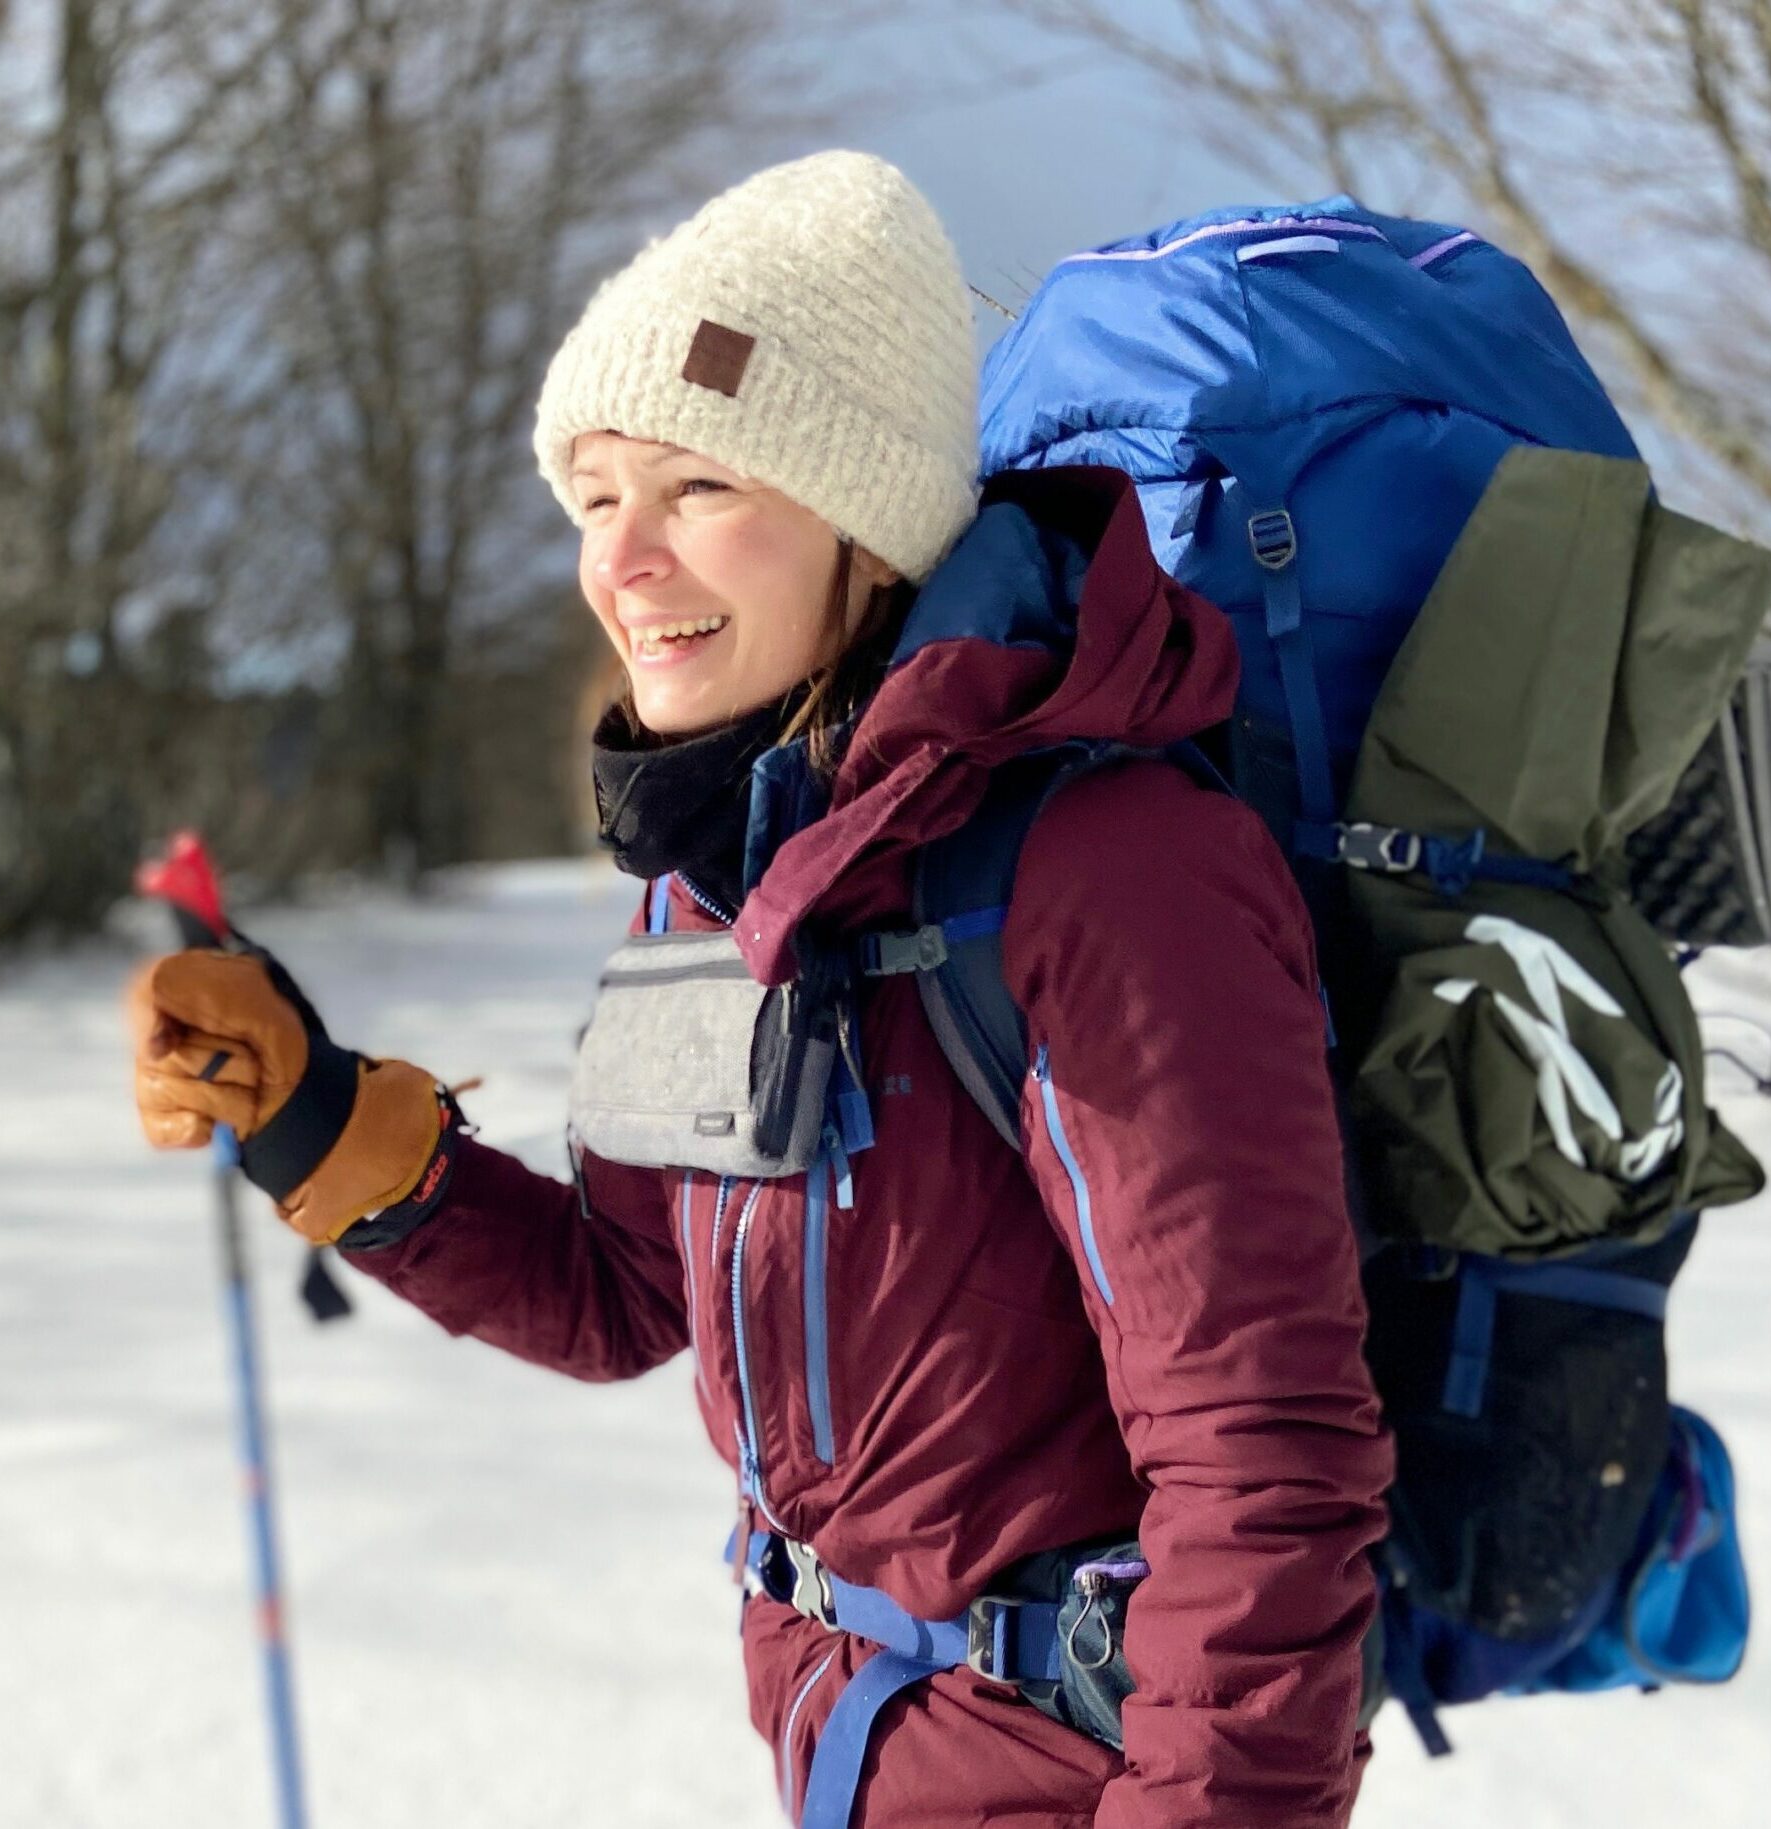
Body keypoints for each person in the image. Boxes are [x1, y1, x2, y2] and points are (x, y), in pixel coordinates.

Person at [130, 151, 1391, 1828]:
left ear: (865, 511)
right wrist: (314, 1122)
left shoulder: (1113, 868)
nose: (625, 562)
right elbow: (624, 1291)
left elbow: (1265, 1463)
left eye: (698, 485)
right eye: (594, 497)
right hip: (844, 1751)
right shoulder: (717, 876)